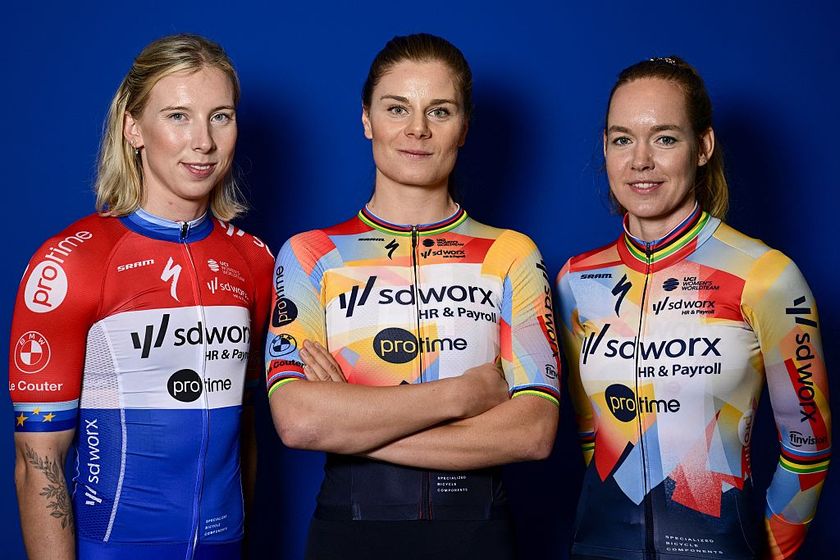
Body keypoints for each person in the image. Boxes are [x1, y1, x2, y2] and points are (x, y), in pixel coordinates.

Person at [266, 33, 560, 559]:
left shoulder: (511, 254)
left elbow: (532, 431)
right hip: (348, 538)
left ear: (464, 127)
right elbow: (299, 419)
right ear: (366, 120)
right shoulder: (312, 255)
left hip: (478, 539)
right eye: (397, 107)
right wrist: (462, 396)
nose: (417, 129)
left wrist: (351, 421)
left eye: (439, 110)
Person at [9, 34, 273, 559]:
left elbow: (243, 427)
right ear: (134, 128)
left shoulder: (256, 261)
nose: (204, 142)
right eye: (178, 116)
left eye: (220, 116)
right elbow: (36, 461)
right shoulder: (71, 264)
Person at [556, 56, 831, 560]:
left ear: (702, 147)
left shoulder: (765, 275)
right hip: (600, 546)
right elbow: (591, 432)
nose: (640, 160)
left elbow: (807, 446)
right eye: (622, 139)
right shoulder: (577, 281)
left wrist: (771, 554)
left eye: (664, 138)